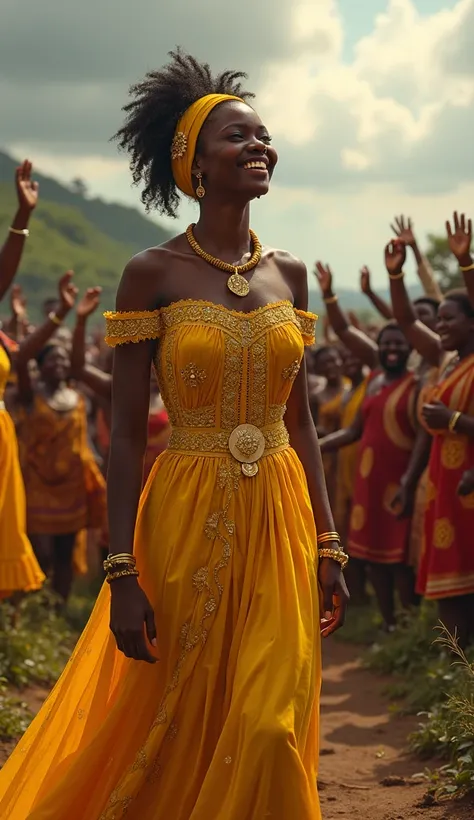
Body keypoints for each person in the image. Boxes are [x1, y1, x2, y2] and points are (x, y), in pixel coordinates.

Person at [0, 50, 348, 820]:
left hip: (282, 512)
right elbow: (124, 435)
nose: (259, 147)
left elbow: (301, 424)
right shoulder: (149, 273)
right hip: (184, 514)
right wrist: (122, 570)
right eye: (236, 137)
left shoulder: (289, 275)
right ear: (192, 161)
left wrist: (329, 542)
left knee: (267, 722)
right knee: (182, 711)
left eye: (263, 135)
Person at [385, 220, 474, 647]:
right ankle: (456, 668)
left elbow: (449, 421)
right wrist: (394, 274)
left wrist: (465, 262)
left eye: (448, 319)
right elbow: (403, 319)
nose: (439, 326)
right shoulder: (447, 360)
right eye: (436, 320)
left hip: (469, 480)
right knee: (450, 580)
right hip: (443, 482)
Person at [320, 318, 418, 630]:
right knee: (371, 556)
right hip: (368, 482)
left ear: (409, 347)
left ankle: (409, 626)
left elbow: (422, 438)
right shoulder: (374, 381)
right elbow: (352, 431)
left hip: (399, 482)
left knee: (399, 559)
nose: (391, 349)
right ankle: (389, 625)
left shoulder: (417, 385)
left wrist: (409, 481)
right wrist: (315, 446)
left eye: (398, 343)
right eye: (386, 343)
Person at [14, 273, 106, 603]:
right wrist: (61, 315)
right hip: (37, 488)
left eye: (63, 359)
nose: (60, 363)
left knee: (66, 556)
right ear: (41, 364)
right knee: (41, 555)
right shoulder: (29, 396)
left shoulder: (77, 398)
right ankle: (32, 611)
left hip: (71, 490)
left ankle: (60, 612)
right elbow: (21, 356)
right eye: (52, 358)